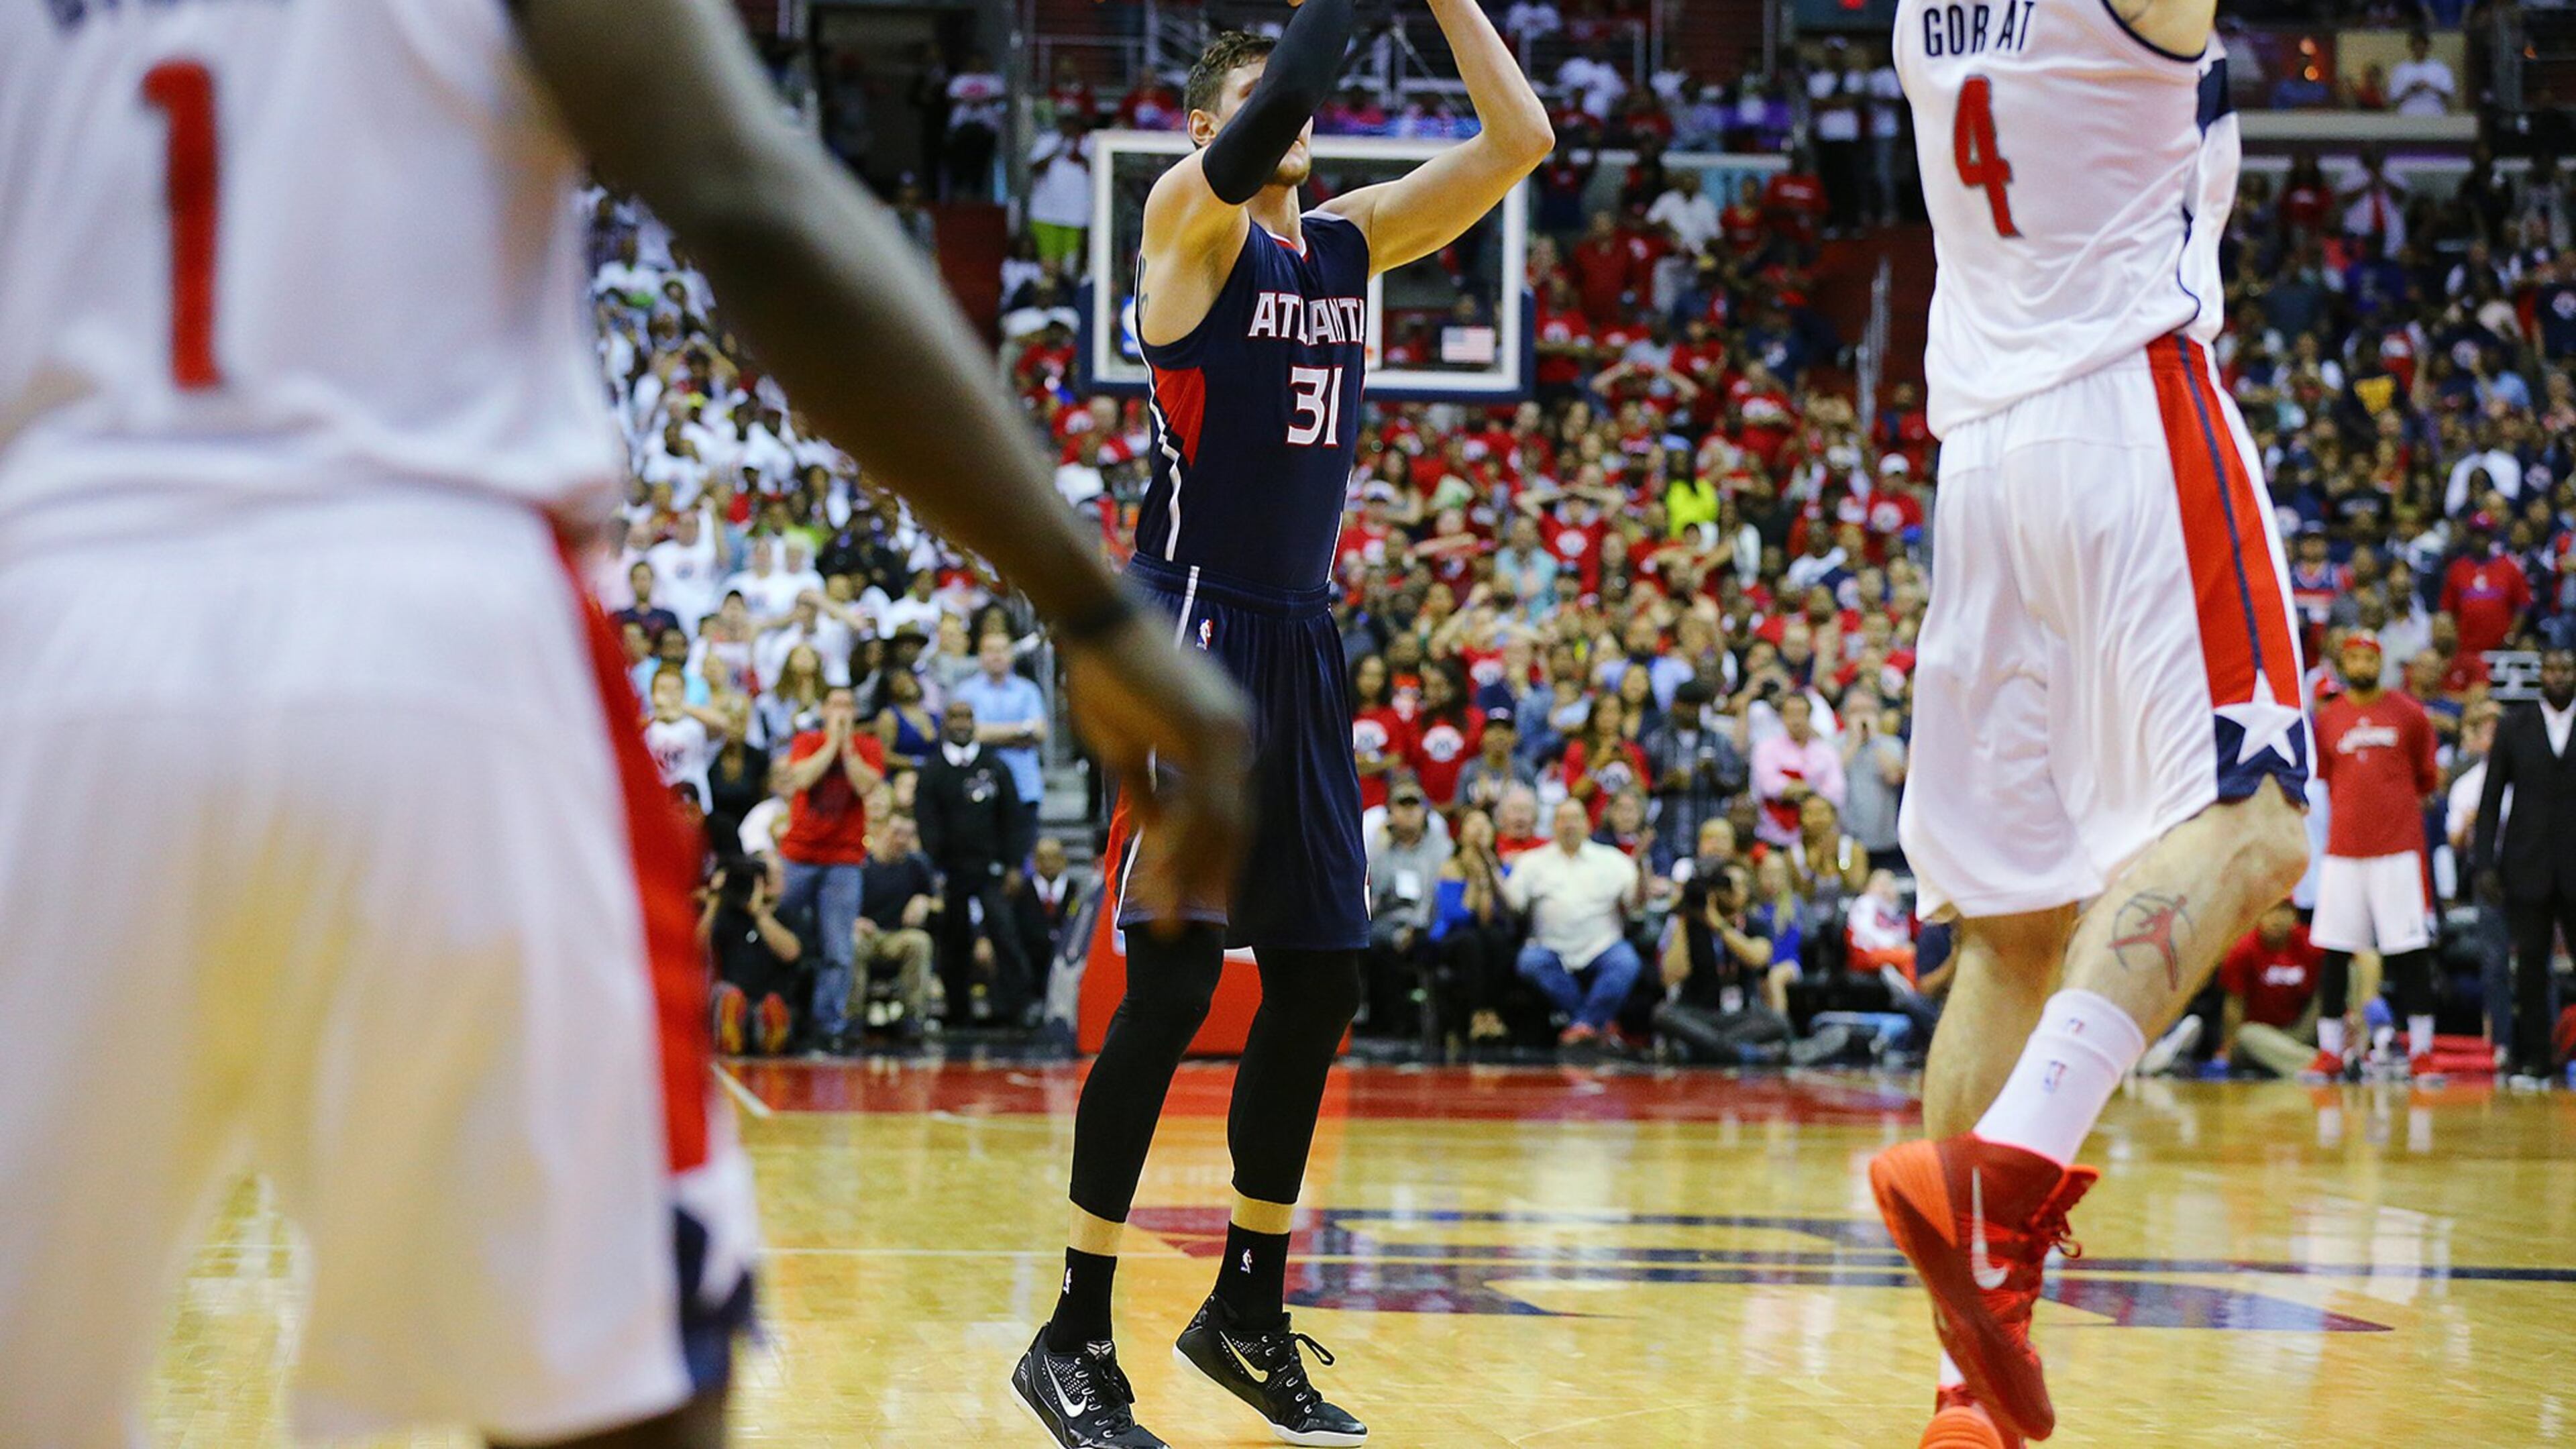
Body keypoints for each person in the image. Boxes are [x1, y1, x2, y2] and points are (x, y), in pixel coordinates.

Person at [0, 0, 1255, 1441]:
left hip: (48, 648)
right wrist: (1092, 608)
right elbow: (739, 192)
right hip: (430, 625)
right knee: (626, 1391)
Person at [1018, 3, 1550, 1444]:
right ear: (1206, 130)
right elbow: (1277, 104)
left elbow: (1523, 139)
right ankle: (1073, 1331)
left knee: (1320, 984)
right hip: (1191, 637)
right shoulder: (1190, 225)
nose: (1298, 113)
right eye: (1262, 102)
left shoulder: (1348, 242)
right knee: (1179, 988)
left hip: (1304, 642)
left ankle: (1246, 1308)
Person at [1868, 0, 2316, 1443]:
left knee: (2006, 931)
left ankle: (1964, 1392)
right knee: (2257, 829)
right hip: (2129, 413)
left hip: (1981, 460)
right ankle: (2009, 1176)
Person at [2308, 632, 2442, 1077]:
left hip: (2397, 852)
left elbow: (2427, 780)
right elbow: (2325, 779)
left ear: (2380, 662)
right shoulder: (2327, 720)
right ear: (2344, 663)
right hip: (2343, 853)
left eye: (2369, 657)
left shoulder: (2409, 714)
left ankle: (2421, 1051)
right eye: (2354, 658)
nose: (2362, 665)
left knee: (2409, 950)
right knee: (2335, 950)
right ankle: (2330, 1051)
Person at [2472, 647, 2576, 1088]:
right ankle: (2536, 1059)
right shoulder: (2515, 725)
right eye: (2550, 668)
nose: (2557, 675)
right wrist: (2483, 864)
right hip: (2526, 863)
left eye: (2565, 668)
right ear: (2540, 675)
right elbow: (2491, 798)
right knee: (2531, 967)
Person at [916, 700, 1038, 1028]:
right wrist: (937, 869)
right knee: (953, 941)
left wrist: (1014, 864)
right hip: (952, 872)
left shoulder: (995, 767)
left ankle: (1017, 1007)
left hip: (992, 870)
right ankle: (958, 1011)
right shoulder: (932, 771)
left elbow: (1014, 819)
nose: (961, 723)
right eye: (954, 717)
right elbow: (926, 822)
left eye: (967, 717)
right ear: (945, 723)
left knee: (1005, 936)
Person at [1501, 798, 1646, 1049]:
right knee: (1529, 961)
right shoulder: (1532, 862)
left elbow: (1636, 906)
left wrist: (1643, 869)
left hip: (1603, 948)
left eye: (1575, 818)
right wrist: (1493, 875)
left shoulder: (1612, 860)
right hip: (1550, 949)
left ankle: (1582, 1025)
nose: (1569, 825)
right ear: (1553, 825)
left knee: (1626, 962)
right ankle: (1594, 1024)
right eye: (1563, 819)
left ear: (1587, 824)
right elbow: (1514, 906)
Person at [1363, 782, 1454, 1035]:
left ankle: (1407, 1024)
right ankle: (1385, 1023)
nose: (1409, 812)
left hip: (1428, 923)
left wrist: (1415, 927)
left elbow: (1438, 894)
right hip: (1388, 921)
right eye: (1402, 806)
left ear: (1425, 812)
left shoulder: (1441, 848)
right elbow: (1375, 895)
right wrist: (1380, 850)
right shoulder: (1381, 849)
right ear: (1391, 813)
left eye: (1415, 806)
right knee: (1374, 942)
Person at [2211, 902, 2328, 1078]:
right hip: (2260, 1035)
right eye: (2270, 911)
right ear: (2258, 916)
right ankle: (2317, 1064)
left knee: (2346, 972)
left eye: (2284, 911)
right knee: (2246, 1034)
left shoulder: (2311, 941)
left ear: (2295, 916)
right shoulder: (2242, 949)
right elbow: (2234, 1004)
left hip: (2301, 1030)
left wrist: (2367, 1000)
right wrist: (2227, 1051)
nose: (2277, 919)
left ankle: (2353, 1053)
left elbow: (2364, 959)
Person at [702, 851, 802, 1057]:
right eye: (767, 874)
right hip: (732, 995)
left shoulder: (789, 914)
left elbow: (791, 953)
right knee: (727, 996)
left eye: (776, 875)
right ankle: (731, 1033)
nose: (772, 881)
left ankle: (771, 1036)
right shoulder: (727, 915)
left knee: (772, 1008)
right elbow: (698, 949)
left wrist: (759, 914)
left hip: (770, 999)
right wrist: (714, 901)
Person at [855, 814, 942, 1043]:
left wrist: (924, 901)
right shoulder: (861, 864)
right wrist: (854, 920)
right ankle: (851, 1020)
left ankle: (913, 1019)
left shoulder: (917, 864)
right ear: (880, 832)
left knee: (919, 942)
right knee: (852, 944)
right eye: (896, 833)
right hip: (866, 933)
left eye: (909, 834)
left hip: (897, 935)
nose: (902, 840)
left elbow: (939, 902)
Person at [953, 629, 1049, 809]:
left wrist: (991, 735)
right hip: (978, 786)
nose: (997, 656)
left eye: (1002, 650)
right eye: (990, 650)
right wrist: (1022, 731)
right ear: (980, 654)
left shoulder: (1028, 690)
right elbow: (973, 733)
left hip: (1023, 786)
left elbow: (1041, 732)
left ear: (1012, 654)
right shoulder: (965, 692)